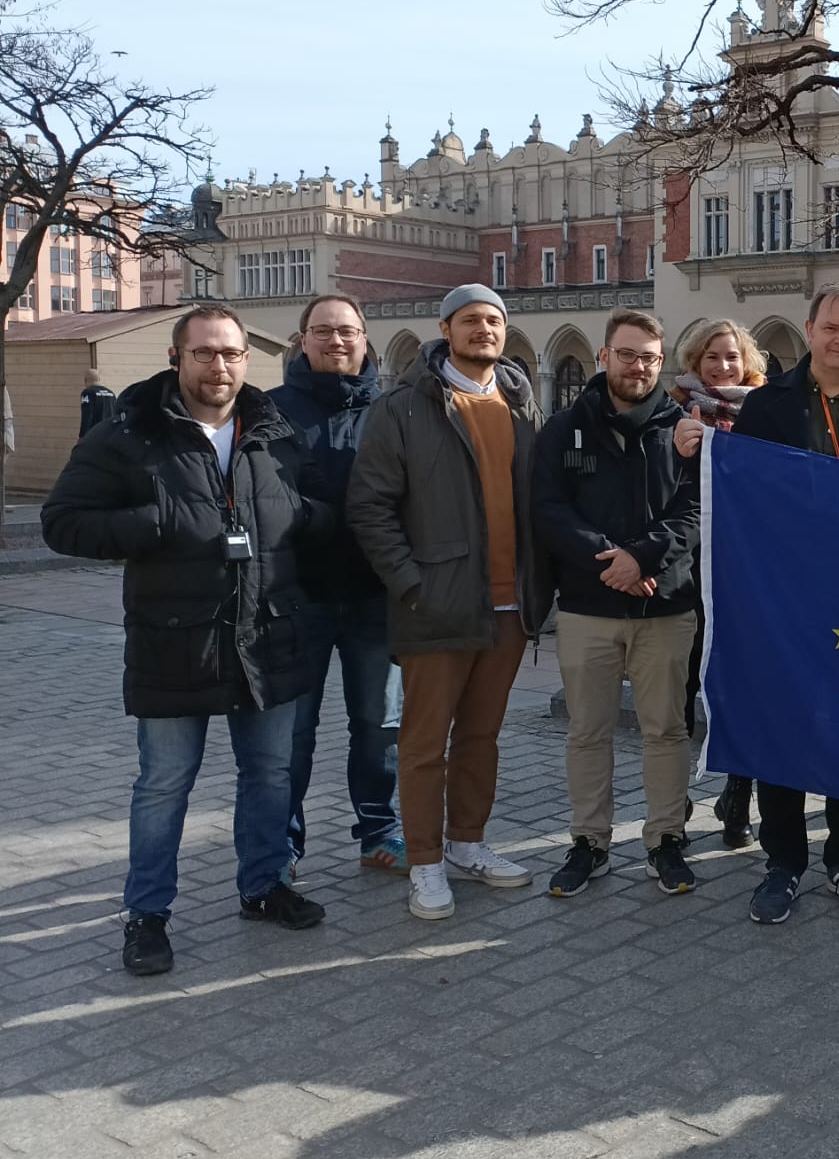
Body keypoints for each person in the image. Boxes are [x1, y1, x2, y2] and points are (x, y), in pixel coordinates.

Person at [43, 304, 326, 976]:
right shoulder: (130, 434)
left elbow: (316, 509)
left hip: (267, 637)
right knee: (164, 784)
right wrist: (151, 523)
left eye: (230, 352)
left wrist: (305, 522)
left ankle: (263, 887)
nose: (219, 365)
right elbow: (62, 521)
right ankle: (147, 914)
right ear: (177, 359)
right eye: (203, 352)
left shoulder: (275, 431)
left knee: (270, 775)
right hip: (175, 642)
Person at [675, 281, 839, 924]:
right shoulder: (768, 407)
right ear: (809, 330)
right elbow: (736, 495)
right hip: (787, 598)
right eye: (833, 328)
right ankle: (783, 863)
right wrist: (694, 452)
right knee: (783, 723)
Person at [348, 283, 549, 921]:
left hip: (508, 608)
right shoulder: (405, 405)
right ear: (445, 328)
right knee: (424, 741)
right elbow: (370, 506)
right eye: (470, 320)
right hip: (436, 603)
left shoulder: (520, 405)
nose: (483, 330)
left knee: (482, 736)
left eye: (493, 320)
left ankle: (468, 843)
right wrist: (412, 583)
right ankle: (426, 862)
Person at [534, 309, 701, 899]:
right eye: (627, 354)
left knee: (666, 730)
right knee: (587, 732)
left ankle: (666, 840)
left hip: (666, 606)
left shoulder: (684, 429)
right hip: (588, 607)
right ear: (604, 357)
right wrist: (613, 562)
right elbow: (550, 512)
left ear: (663, 363)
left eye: (650, 357)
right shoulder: (562, 428)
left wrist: (644, 558)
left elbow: (694, 511)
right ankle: (590, 843)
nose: (638, 366)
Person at [270, 294, 406, 879]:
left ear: (365, 337)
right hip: (298, 596)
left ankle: (378, 832)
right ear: (303, 340)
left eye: (347, 331)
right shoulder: (269, 411)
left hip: (377, 596)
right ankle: (282, 843)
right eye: (322, 332)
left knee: (379, 727)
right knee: (293, 731)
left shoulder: (396, 410)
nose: (336, 341)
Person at [671, 317, 767, 847]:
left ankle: (737, 798)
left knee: (740, 688)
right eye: (712, 357)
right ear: (694, 362)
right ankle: (675, 799)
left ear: (747, 361)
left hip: (748, 574)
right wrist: (680, 454)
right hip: (690, 575)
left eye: (731, 356)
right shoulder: (675, 414)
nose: (723, 365)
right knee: (684, 690)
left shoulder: (766, 414)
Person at [78, 369, 117, 439]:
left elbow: (87, 415)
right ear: (99, 379)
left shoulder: (88, 393)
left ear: (85, 380)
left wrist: (82, 436)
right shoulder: (111, 393)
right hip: (110, 434)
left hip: (95, 435)